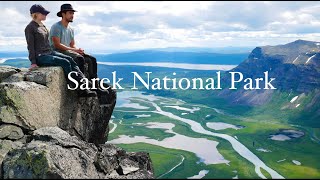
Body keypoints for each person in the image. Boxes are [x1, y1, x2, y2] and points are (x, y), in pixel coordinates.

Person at [24, 4, 96, 97]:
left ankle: (83, 81)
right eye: (44, 13)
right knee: (65, 62)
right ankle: (77, 87)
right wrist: (33, 62)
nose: (46, 15)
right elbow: (30, 46)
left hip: (49, 53)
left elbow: (47, 44)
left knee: (70, 59)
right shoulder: (30, 27)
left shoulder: (42, 26)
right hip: (41, 57)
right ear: (36, 14)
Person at [49, 3, 98, 81]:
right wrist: (75, 51)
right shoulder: (56, 27)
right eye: (70, 13)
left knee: (91, 59)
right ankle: (82, 84)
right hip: (58, 52)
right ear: (63, 14)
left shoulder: (71, 29)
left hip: (68, 51)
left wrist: (79, 50)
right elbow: (57, 45)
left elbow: (72, 44)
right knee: (79, 59)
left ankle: (94, 83)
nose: (72, 15)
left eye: (73, 13)